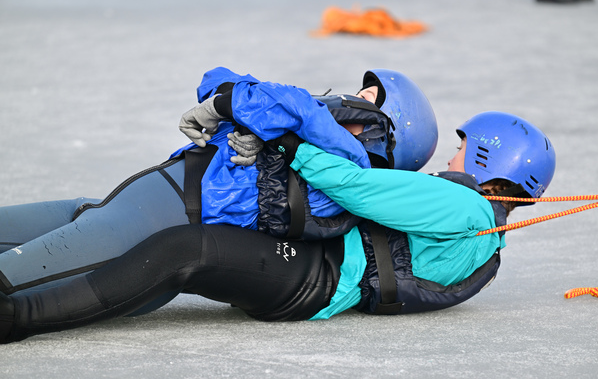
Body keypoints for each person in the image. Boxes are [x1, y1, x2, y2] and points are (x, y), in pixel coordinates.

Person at [0, 111, 556, 343]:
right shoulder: (489, 244)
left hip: (311, 278)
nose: (452, 156)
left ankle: (17, 314)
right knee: (141, 232)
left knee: (185, 251)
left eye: (463, 147)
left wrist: (289, 143)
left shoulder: (464, 208)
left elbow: (356, 189)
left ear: (488, 157)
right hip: (318, 275)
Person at [0, 68, 438, 305]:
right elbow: (218, 75)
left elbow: (292, 103)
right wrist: (233, 105)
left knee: (11, 278)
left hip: (156, 220)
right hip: (135, 204)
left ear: (384, 132)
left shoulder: (350, 159)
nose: (352, 97)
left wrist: (230, 105)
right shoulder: (295, 128)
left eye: (368, 97)